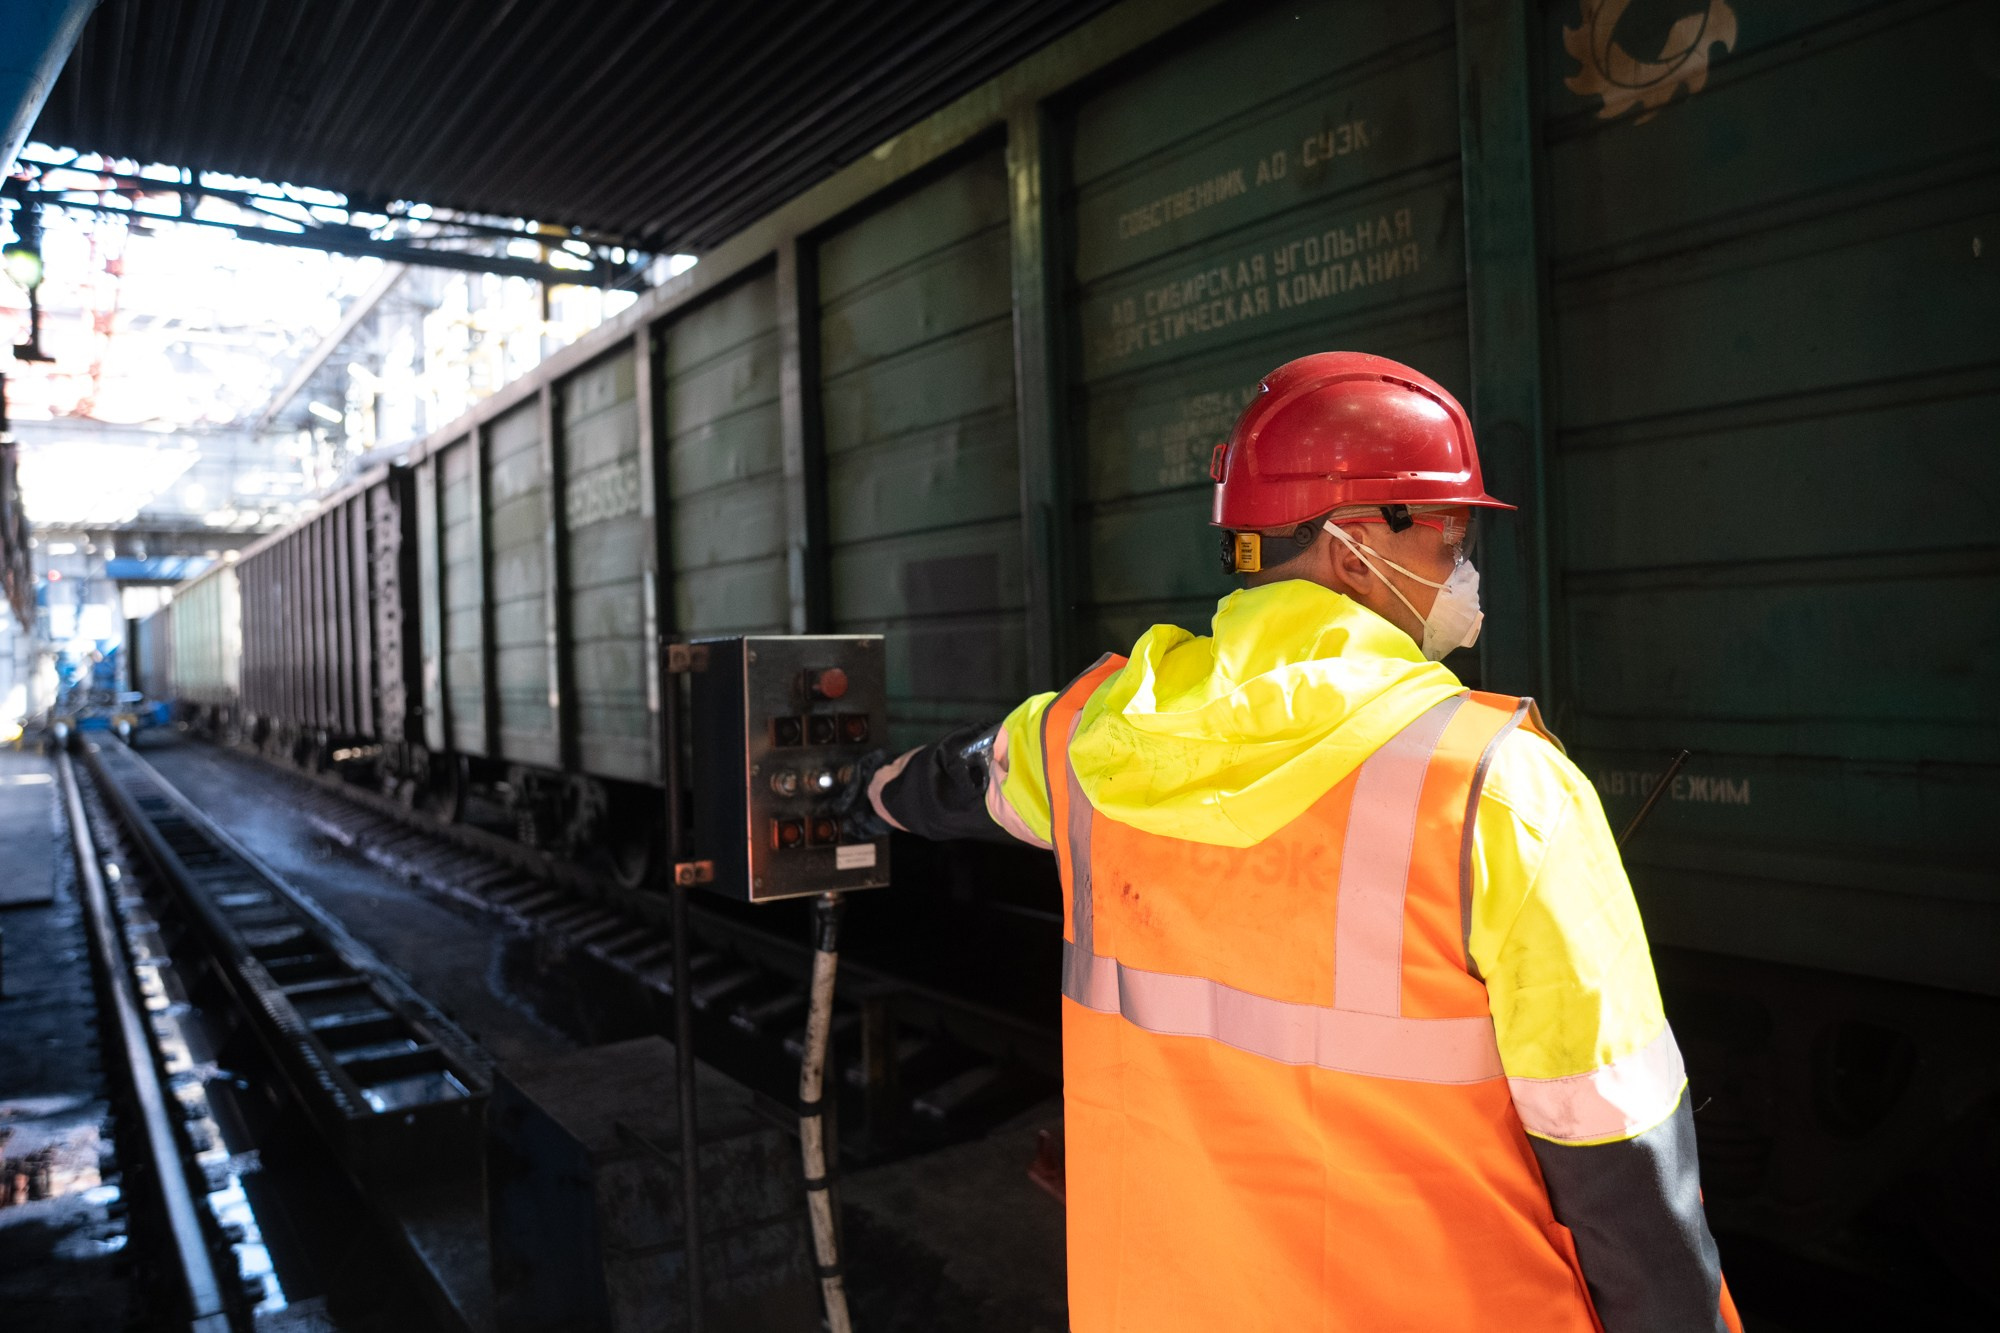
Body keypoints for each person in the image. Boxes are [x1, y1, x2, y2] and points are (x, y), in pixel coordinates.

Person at [849, 352, 1740, 1332]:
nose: (1462, 575)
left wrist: (857, 794)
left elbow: (952, 781)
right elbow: (1619, 1157)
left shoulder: (1090, 734)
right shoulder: (1497, 789)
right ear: (1356, 543)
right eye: (1449, 542)